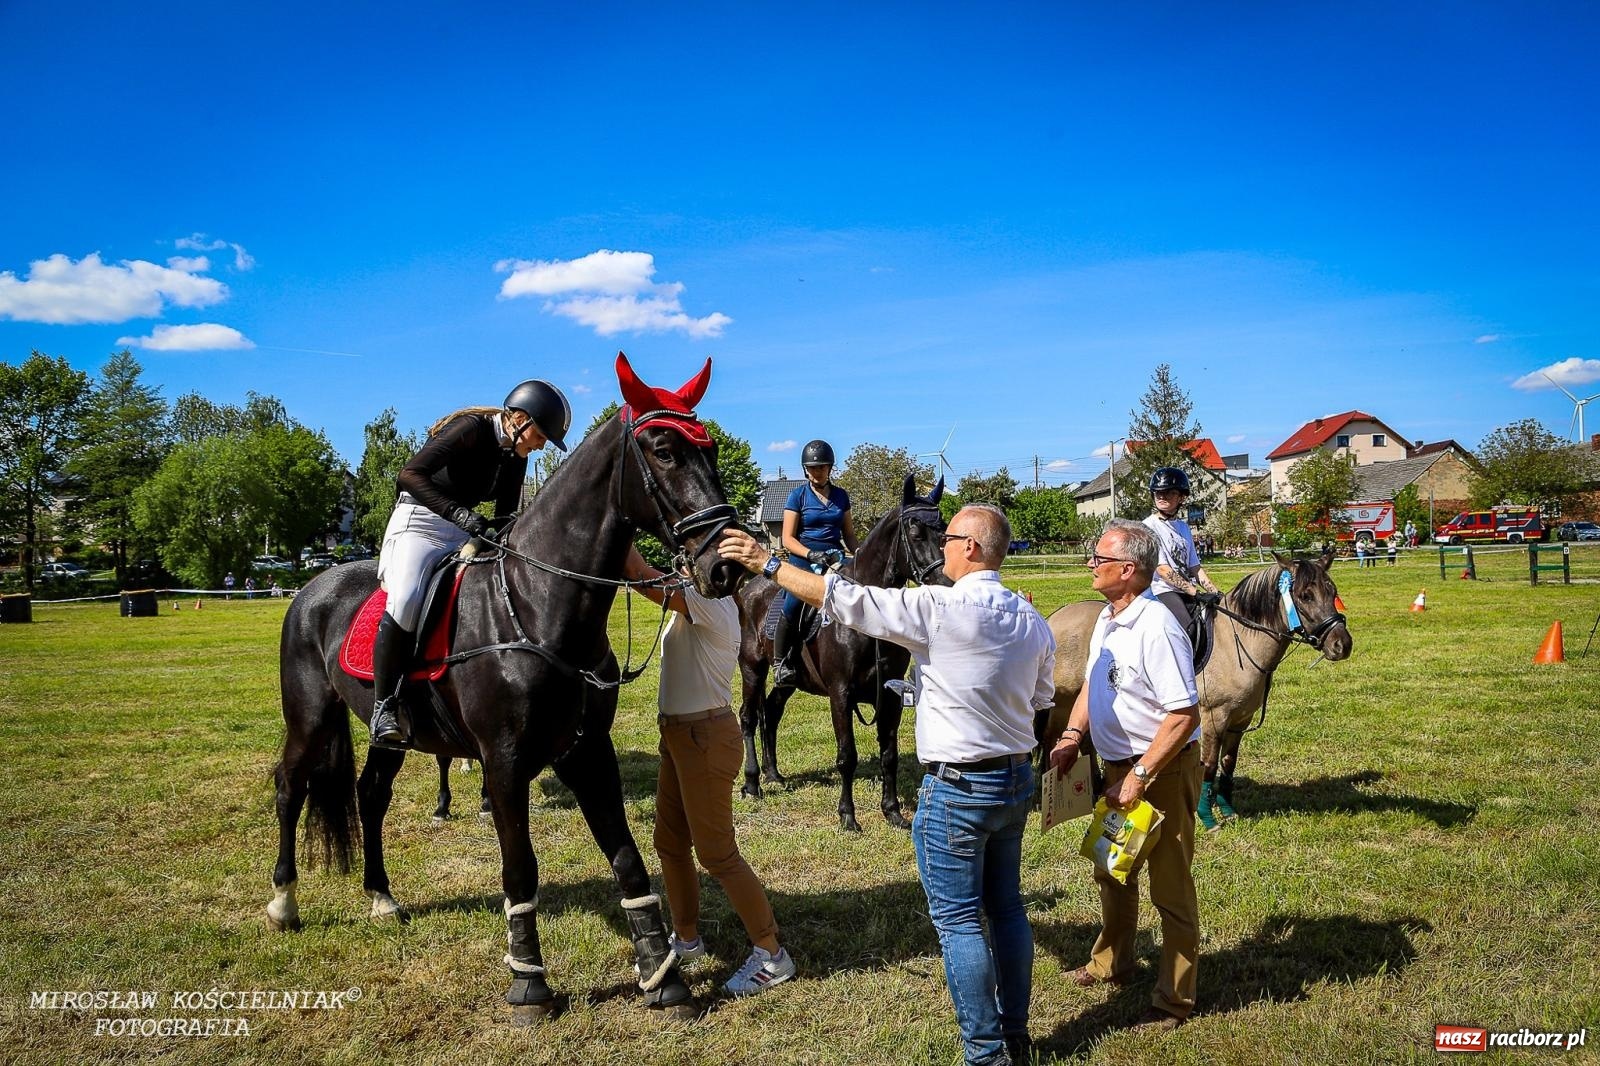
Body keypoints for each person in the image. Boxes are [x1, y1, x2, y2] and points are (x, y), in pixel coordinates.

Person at [720, 504, 1054, 1066]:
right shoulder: (1031, 619)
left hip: (958, 790)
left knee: (958, 923)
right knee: (1009, 911)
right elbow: (1042, 702)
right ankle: (1015, 1035)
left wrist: (766, 560)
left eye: (946, 538)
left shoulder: (937, 607)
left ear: (969, 548)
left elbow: (844, 599)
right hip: (1014, 780)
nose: (940, 547)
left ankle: (986, 1052)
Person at [1048, 518, 1202, 1033]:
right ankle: (1112, 961)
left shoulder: (1157, 626)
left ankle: (1174, 1000)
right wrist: (1072, 736)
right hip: (1121, 773)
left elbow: (1184, 715)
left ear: (1128, 569)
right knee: (1111, 869)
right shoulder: (1109, 619)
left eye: (1099, 558)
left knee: (1171, 889)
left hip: (1161, 770)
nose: (1091, 564)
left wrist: (1138, 775)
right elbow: (1095, 685)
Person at [621, 545, 795, 997]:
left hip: (704, 738)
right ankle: (687, 937)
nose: (686, 565)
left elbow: (639, 574)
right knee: (669, 843)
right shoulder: (696, 604)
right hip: (679, 736)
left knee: (717, 855)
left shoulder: (713, 605)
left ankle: (772, 953)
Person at [368, 379, 571, 748]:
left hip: (461, 529)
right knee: (407, 599)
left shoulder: (515, 454)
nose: (541, 445)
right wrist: (461, 516)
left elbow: (506, 514)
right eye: (541, 435)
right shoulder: (469, 429)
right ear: (519, 419)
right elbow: (409, 476)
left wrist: (495, 537)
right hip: (419, 524)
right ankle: (385, 706)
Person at [772, 439, 859, 688]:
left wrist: (860, 554)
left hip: (835, 560)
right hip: (803, 561)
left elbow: (849, 534)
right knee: (792, 604)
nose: (816, 472)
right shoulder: (797, 496)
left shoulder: (841, 496)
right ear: (804, 469)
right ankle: (781, 663)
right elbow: (787, 538)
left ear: (830, 468)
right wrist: (810, 554)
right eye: (811, 468)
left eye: (820, 467)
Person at [1143, 467, 1220, 637]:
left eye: (1169, 493)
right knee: (1188, 628)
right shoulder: (1149, 526)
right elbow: (1162, 569)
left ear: (1181, 497)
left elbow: (1195, 567)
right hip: (1161, 590)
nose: (1162, 496)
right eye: (1158, 493)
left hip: (1184, 590)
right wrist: (1195, 592)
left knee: (1215, 620)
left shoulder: (1184, 528)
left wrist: (1215, 592)